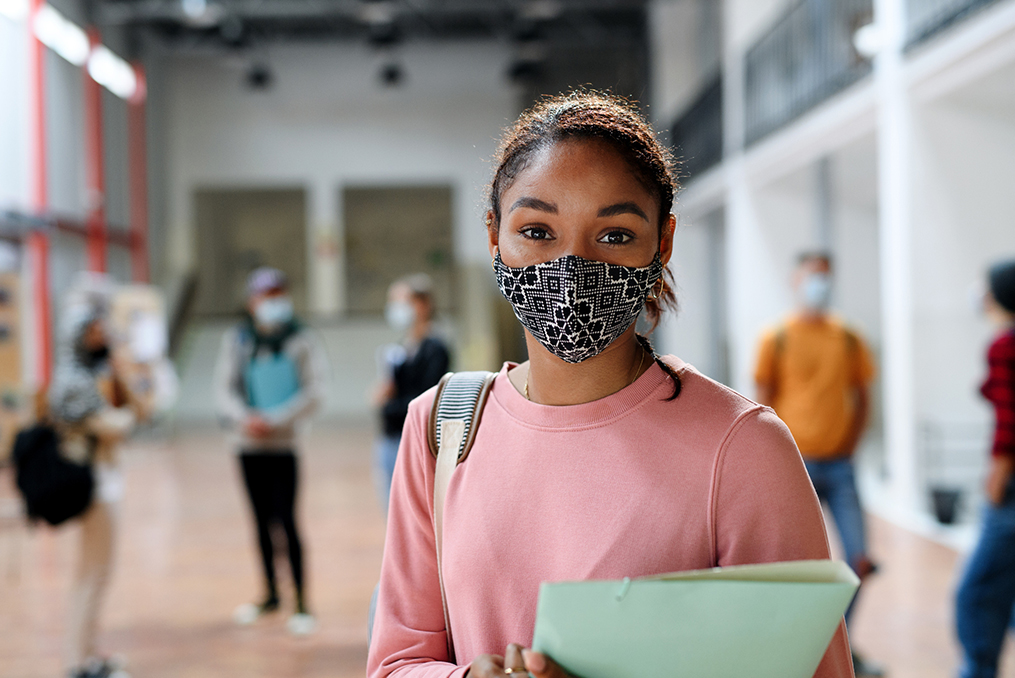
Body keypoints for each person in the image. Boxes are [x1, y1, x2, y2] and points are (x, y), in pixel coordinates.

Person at [367, 91, 854, 678]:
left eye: (615, 234)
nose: (571, 264)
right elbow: (398, 661)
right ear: (494, 235)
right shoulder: (443, 426)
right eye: (537, 231)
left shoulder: (743, 448)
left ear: (662, 242)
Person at [754, 252, 879, 676]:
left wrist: (851, 441)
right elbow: (762, 400)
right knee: (793, 563)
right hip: (797, 466)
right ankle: (804, 651)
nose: (818, 286)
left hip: (841, 466)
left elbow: (863, 398)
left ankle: (840, 642)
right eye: (811, 278)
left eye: (825, 278)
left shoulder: (848, 337)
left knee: (859, 558)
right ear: (795, 281)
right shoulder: (777, 337)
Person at [214, 267, 328, 636]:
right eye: (265, 296)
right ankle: (270, 595)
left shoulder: (301, 340)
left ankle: (301, 602)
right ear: (251, 301)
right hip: (247, 445)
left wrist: (276, 419)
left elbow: (314, 391)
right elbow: (225, 388)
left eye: (278, 294)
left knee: (287, 521)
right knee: (260, 521)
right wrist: (243, 417)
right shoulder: (239, 340)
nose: (272, 302)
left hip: (283, 445)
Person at [49, 274, 143, 678]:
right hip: (94, 489)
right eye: (93, 330)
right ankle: (77, 661)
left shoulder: (89, 375)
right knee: (92, 574)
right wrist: (125, 415)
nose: (100, 336)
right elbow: (116, 424)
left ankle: (89, 653)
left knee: (95, 573)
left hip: (103, 480)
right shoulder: (74, 381)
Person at [955, 259, 1015, 678]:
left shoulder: (1005, 346)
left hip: (1011, 493)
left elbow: (1008, 428)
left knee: (975, 595)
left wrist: (995, 483)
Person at [373, 274, 451, 514]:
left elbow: (425, 398)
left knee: (412, 513)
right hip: (390, 435)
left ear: (423, 304)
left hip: (414, 438)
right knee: (392, 511)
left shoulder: (435, 349)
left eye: (402, 300)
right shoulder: (400, 347)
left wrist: (388, 402)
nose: (397, 308)